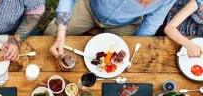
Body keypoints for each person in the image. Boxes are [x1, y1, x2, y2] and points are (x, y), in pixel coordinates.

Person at [45, 0, 176, 58]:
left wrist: (135, 46)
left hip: (124, 24)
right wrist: (61, 34)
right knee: (50, 34)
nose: (145, 5)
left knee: (120, 60)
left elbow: (151, 23)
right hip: (89, 8)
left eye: (151, 2)